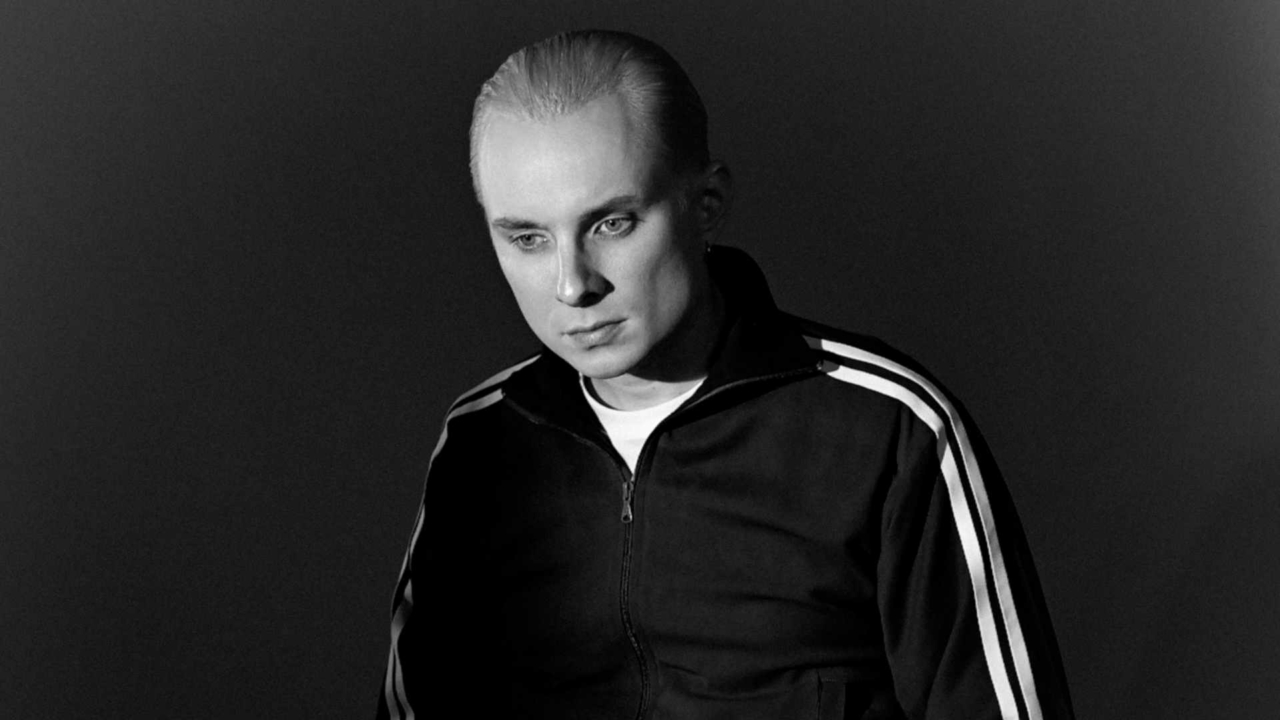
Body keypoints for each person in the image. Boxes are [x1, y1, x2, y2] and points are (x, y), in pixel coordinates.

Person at [377, 29, 1074, 720]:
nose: (571, 285)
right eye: (528, 238)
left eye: (612, 224)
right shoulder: (479, 443)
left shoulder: (890, 431)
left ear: (706, 205)